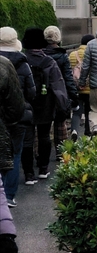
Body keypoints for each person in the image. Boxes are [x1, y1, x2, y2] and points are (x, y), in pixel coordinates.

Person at [22, 28, 69, 183]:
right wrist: (63, 105)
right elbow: (58, 85)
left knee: (27, 138)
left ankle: (28, 174)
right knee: (44, 135)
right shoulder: (49, 61)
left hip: (26, 103)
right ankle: (43, 169)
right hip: (46, 102)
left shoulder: (22, 60)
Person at [0, 28, 35, 206]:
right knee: (15, 153)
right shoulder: (22, 63)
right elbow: (31, 91)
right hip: (18, 116)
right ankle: (9, 196)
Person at [43, 26, 80, 155]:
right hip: (60, 93)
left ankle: (40, 154)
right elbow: (68, 78)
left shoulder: (40, 54)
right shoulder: (62, 56)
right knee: (60, 123)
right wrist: (73, 96)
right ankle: (61, 152)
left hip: (43, 94)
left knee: (43, 127)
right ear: (58, 38)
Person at [68, 34, 93, 139]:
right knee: (89, 112)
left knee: (77, 111)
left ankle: (74, 130)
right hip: (90, 88)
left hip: (76, 88)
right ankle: (88, 132)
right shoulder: (93, 54)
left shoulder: (72, 54)